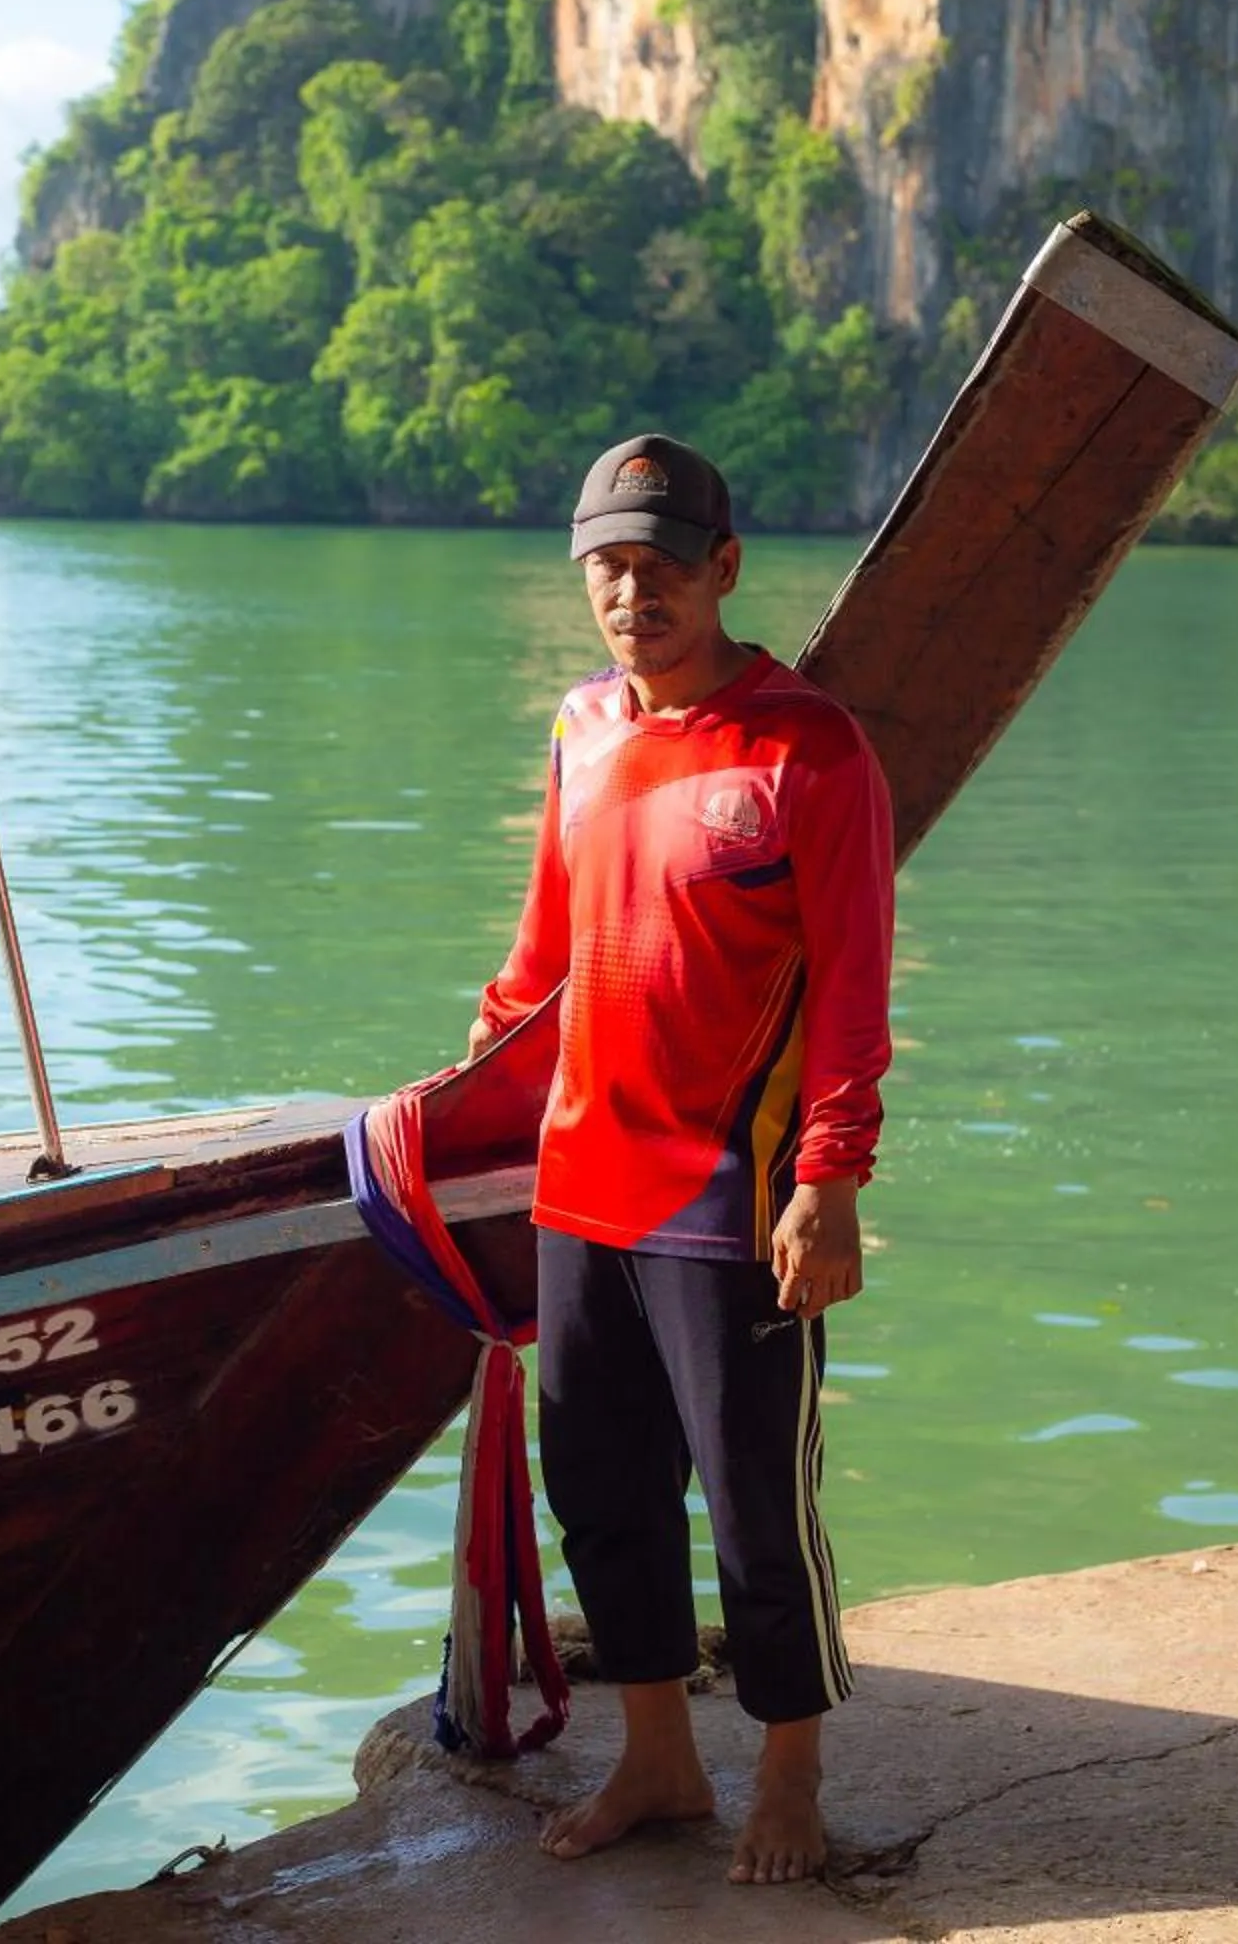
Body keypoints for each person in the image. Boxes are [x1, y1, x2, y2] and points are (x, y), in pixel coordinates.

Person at [466, 434, 893, 1886]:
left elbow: (851, 986)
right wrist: (462, 1110)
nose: (630, 589)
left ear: (723, 567)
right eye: (607, 563)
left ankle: (789, 1774)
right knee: (599, 1484)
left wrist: (832, 1175)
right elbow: (536, 962)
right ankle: (658, 1759)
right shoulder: (582, 728)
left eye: (659, 562)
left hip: (734, 1193)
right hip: (582, 1180)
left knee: (756, 1498)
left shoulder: (807, 747)